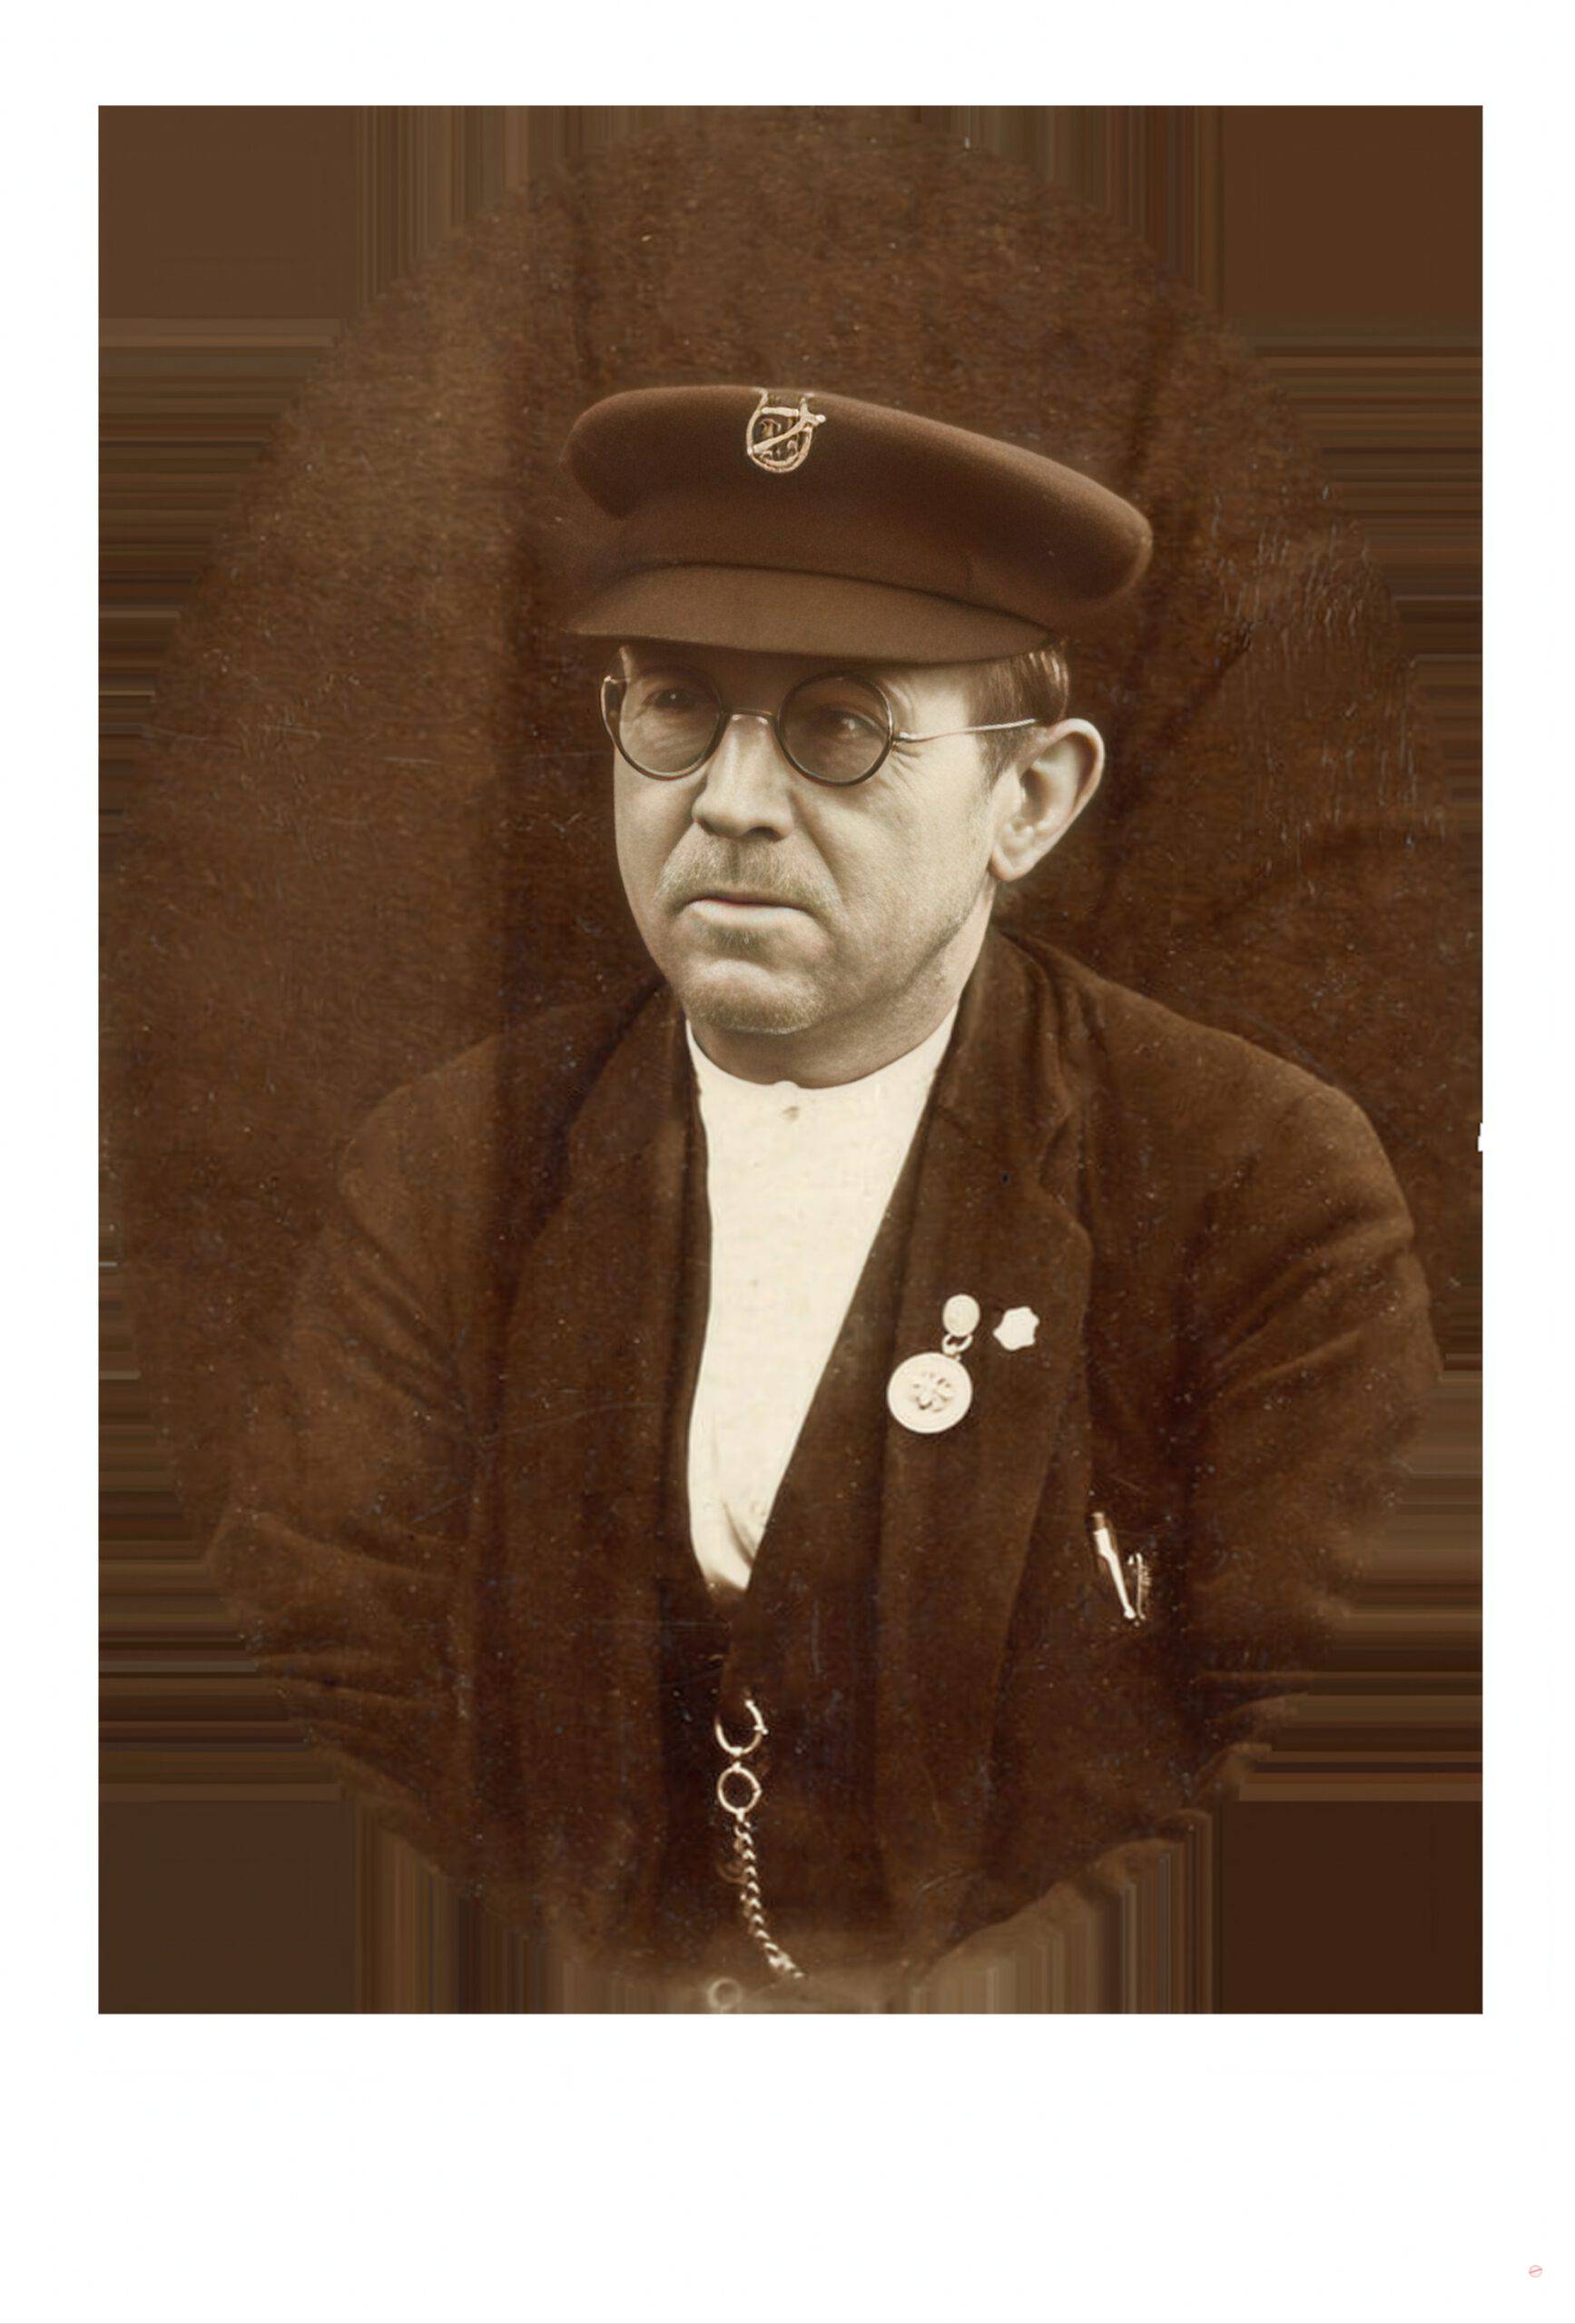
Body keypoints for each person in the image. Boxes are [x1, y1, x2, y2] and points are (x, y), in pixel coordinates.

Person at [212, 384, 1440, 2012]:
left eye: (839, 727)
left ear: (1031, 800)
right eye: (675, 708)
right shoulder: (452, 1165)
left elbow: (1324, 1775)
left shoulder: (1256, 1183)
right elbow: (311, 1702)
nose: (728, 801)